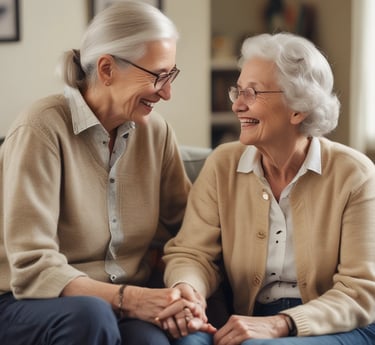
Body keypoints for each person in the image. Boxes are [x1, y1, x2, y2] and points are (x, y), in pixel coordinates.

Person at [158, 32, 375, 345]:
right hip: (246, 318)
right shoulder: (223, 164)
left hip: (337, 324)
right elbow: (193, 253)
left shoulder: (355, 175)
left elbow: (361, 290)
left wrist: (283, 323)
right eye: (238, 90)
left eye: (252, 93)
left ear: (297, 109)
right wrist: (189, 290)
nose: (237, 105)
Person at [0, 2, 192, 345]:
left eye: (171, 74)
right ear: (106, 69)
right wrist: (133, 299)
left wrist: (183, 290)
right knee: (91, 315)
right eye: (158, 75)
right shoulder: (40, 129)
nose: (167, 92)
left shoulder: (156, 133)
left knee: (153, 341)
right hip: (24, 300)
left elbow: (188, 231)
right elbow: (33, 266)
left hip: (117, 302)